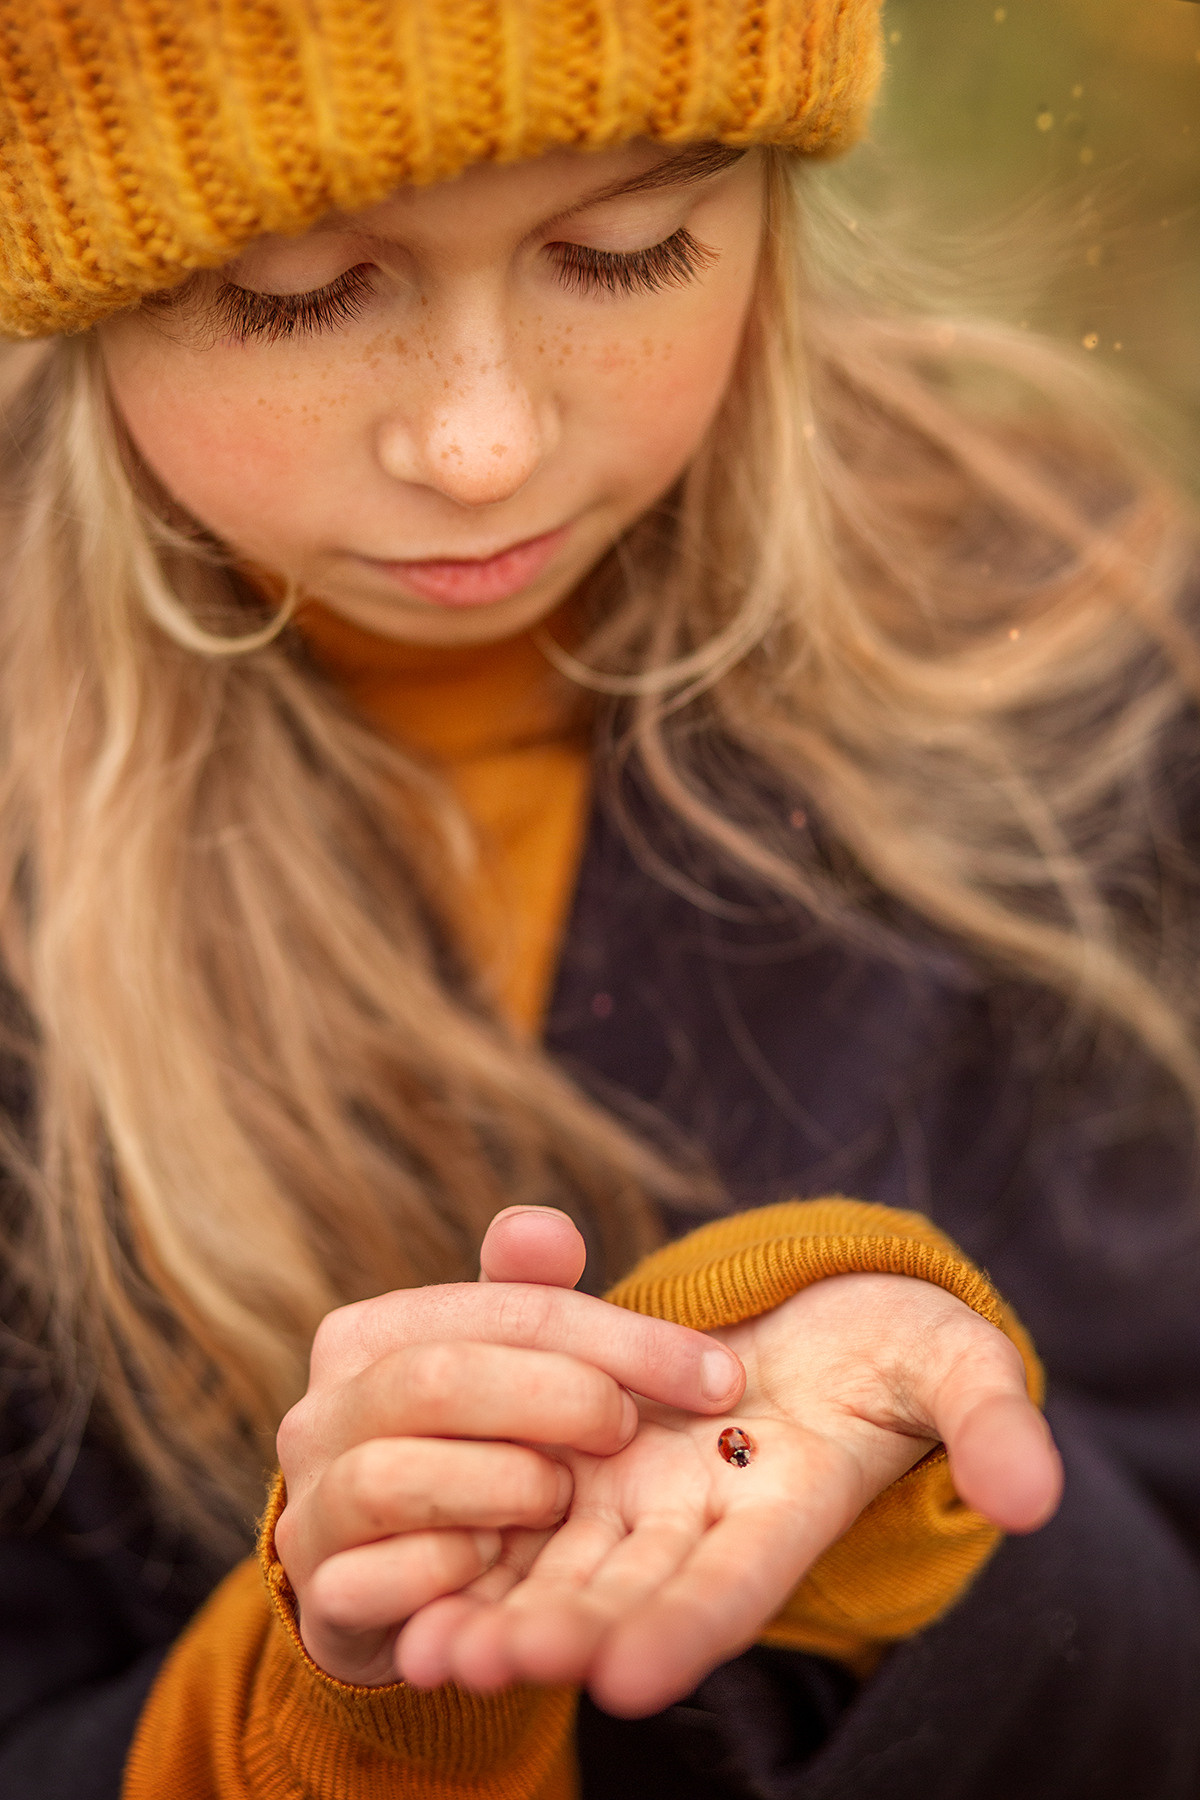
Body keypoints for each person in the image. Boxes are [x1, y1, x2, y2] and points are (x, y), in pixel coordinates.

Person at [1, 3, 1198, 1796]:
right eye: (302, 289)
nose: (482, 447)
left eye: (626, 250)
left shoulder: (1076, 678)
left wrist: (909, 1529)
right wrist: (316, 1716)